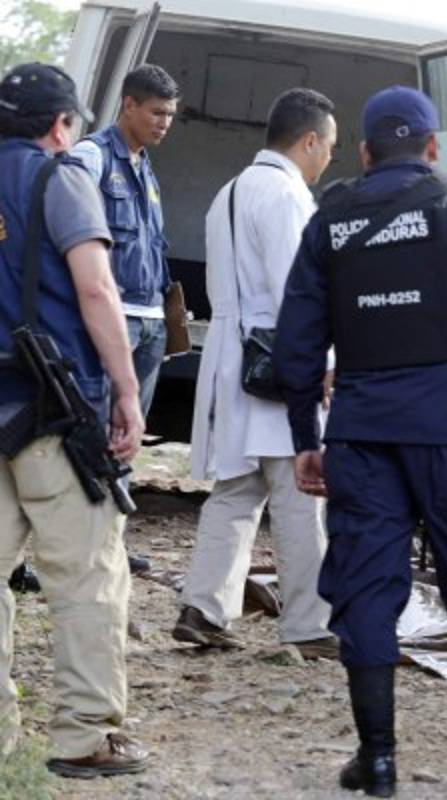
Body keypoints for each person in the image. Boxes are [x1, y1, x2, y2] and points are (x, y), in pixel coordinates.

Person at [273, 86, 447, 796]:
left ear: (364, 153)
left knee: (366, 587)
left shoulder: (329, 221)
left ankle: (380, 760)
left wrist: (307, 433)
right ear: (432, 148)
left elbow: (299, 340)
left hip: (363, 432)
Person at [0, 62, 150, 777]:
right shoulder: (58, 179)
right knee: (88, 576)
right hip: (55, 409)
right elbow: (95, 288)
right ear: (61, 125)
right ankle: (83, 736)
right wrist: (126, 390)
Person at [172, 88, 339, 658]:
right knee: (300, 493)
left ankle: (204, 606)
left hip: (231, 356)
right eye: (329, 147)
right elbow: (300, 291)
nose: (329, 160)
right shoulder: (288, 194)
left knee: (236, 487)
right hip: (279, 358)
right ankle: (308, 627)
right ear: (310, 139)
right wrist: (323, 363)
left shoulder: (229, 192)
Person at [71, 64, 179, 427]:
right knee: (89, 433)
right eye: (157, 112)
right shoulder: (92, 156)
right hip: (112, 318)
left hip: (151, 321)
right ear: (129, 105)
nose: (165, 122)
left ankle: (117, 487)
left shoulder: (146, 167)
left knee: (128, 435)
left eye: (171, 114)